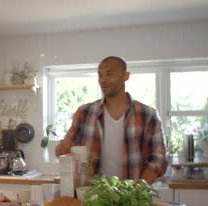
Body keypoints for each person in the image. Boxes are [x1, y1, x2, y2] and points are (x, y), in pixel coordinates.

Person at [55, 56, 168, 184]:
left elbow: (159, 159)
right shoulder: (84, 113)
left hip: (132, 197)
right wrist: (62, 148)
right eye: (100, 75)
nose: (103, 80)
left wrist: (139, 188)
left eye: (109, 74)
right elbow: (65, 148)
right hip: (92, 196)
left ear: (126, 76)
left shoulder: (147, 115)